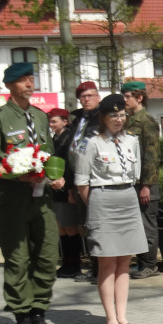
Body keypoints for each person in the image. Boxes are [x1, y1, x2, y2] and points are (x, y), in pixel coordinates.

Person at [0, 62, 65, 324]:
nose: (29, 84)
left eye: (31, 79)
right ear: (9, 85)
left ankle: (39, 313)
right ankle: (23, 319)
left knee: (47, 257)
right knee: (17, 259)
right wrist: (11, 173)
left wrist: (56, 175)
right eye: (23, 80)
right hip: (13, 198)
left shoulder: (39, 117)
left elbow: (48, 154)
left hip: (42, 199)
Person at [76, 94, 146, 324]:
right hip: (102, 199)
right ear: (103, 117)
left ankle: (123, 317)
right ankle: (110, 318)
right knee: (107, 262)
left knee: (125, 262)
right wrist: (95, 207)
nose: (119, 119)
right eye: (113, 115)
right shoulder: (91, 143)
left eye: (122, 115)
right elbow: (82, 182)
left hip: (127, 198)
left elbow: (136, 173)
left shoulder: (132, 140)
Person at [122, 82, 162, 279]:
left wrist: (146, 185)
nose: (124, 100)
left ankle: (150, 264)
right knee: (137, 224)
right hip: (133, 181)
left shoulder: (147, 121)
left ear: (139, 98)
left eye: (128, 96)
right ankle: (141, 262)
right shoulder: (128, 121)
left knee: (147, 224)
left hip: (146, 183)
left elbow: (152, 155)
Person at [69, 81, 101, 283]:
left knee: (97, 224)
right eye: (83, 96)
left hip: (95, 179)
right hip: (78, 179)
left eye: (90, 95)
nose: (86, 99)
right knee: (85, 224)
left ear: (98, 97)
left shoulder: (103, 118)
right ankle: (93, 266)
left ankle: (100, 268)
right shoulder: (78, 119)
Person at [47, 108, 82, 277]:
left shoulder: (69, 139)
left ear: (65, 121)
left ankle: (74, 264)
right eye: (50, 121)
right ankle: (66, 262)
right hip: (55, 187)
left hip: (66, 186)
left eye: (54, 121)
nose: (51, 124)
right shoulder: (54, 139)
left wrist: (69, 189)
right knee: (61, 227)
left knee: (70, 226)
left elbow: (70, 165)